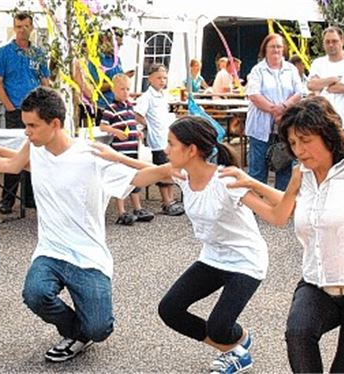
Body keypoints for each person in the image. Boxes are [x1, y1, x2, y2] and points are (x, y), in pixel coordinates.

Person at [221, 97, 344, 373]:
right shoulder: (304, 174)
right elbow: (287, 210)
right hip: (319, 286)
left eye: (305, 140)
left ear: (327, 134)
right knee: (298, 334)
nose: (299, 150)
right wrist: (251, 184)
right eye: (292, 143)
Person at [0, 87, 139, 363]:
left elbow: (143, 175)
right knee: (35, 294)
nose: (26, 131)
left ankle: (88, 330)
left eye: (32, 126)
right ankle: (75, 332)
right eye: (25, 125)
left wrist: (121, 158)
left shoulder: (92, 155)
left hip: (89, 255)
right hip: (51, 250)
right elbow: (14, 165)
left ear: (55, 124)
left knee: (99, 329)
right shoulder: (36, 148)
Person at [91, 116, 268, 374]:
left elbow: (272, 212)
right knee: (170, 310)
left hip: (247, 261)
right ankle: (234, 347)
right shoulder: (183, 175)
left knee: (219, 326)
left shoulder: (227, 181)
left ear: (191, 150)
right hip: (213, 257)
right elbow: (143, 171)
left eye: (171, 144)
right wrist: (114, 157)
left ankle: (230, 341)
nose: (165, 149)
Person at [0, 11, 51, 214]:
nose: (22, 30)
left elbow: (45, 81)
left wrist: (46, 104)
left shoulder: (39, 54)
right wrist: (9, 106)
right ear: (14, 28)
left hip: (36, 111)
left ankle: (30, 198)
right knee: (15, 153)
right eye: (18, 26)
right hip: (16, 110)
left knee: (36, 154)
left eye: (25, 26)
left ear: (31, 28)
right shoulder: (4, 53)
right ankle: (8, 199)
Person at [245, 33, 306, 190]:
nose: (276, 50)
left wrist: (284, 107)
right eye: (272, 46)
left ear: (284, 49)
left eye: (279, 46)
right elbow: (254, 94)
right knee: (257, 170)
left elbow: (299, 93)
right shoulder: (257, 70)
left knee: (284, 167)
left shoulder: (291, 70)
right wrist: (274, 110)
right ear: (265, 49)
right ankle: (255, 206)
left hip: (285, 127)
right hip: (260, 128)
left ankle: (280, 205)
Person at [99, 73, 154, 225]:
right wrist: (116, 132)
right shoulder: (111, 108)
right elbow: (103, 126)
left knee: (134, 177)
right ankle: (121, 211)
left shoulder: (130, 107)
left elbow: (132, 123)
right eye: (122, 89)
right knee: (122, 179)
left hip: (132, 148)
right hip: (120, 150)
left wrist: (138, 132)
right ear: (114, 90)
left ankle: (137, 207)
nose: (125, 92)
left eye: (128, 89)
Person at [134, 64, 185, 215]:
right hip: (157, 139)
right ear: (150, 79)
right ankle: (166, 200)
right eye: (158, 78)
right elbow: (138, 114)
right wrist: (147, 125)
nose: (162, 81)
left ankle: (170, 198)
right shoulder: (147, 97)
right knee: (161, 168)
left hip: (166, 137)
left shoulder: (164, 95)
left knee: (169, 168)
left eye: (164, 78)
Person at [309, 27, 344, 151]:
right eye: (327, 42)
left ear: (342, 41)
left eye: (334, 41)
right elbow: (311, 85)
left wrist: (322, 85)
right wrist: (332, 79)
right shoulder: (318, 63)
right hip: (324, 123)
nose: (331, 45)